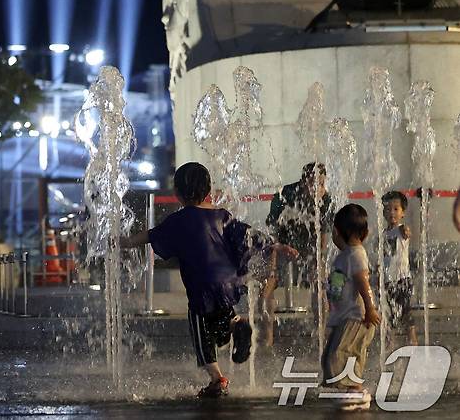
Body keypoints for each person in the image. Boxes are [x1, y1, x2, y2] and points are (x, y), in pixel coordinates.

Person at [121, 162, 298, 398]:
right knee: (221, 321)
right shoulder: (222, 215)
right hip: (228, 282)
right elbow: (248, 235)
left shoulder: (179, 220)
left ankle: (217, 378)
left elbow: (151, 236)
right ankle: (238, 325)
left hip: (201, 285)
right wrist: (276, 244)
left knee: (201, 333)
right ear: (208, 190)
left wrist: (125, 242)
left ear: (178, 193)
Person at [263, 162, 334, 345]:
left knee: (319, 287)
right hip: (284, 245)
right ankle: (268, 337)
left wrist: (319, 261)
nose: (317, 189)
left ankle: (321, 333)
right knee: (267, 286)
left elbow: (324, 237)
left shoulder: (326, 200)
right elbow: (272, 230)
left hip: (310, 247)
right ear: (303, 182)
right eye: (312, 183)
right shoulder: (284, 195)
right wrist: (279, 250)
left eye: (321, 184)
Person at [322, 204, 380, 411]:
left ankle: (357, 391)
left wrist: (370, 308)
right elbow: (339, 285)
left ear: (338, 232)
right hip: (346, 317)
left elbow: (362, 282)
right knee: (335, 353)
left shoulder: (355, 254)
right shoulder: (345, 255)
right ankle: (351, 391)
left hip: (357, 317)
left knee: (341, 353)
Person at [381, 191, 417, 346]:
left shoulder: (401, 230)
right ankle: (390, 340)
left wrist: (407, 231)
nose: (391, 213)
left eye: (396, 209)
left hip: (403, 279)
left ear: (403, 213)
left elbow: (407, 233)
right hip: (389, 280)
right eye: (388, 209)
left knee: (406, 311)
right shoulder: (384, 234)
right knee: (388, 312)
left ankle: (412, 339)